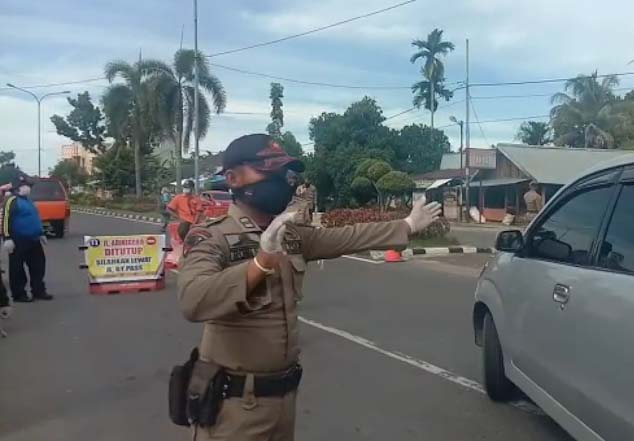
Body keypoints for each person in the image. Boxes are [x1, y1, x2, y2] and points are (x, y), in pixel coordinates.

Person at [176, 134, 441, 441]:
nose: (282, 179)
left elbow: (348, 236)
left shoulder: (290, 235)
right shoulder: (212, 238)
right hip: (234, 408)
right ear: (233, 178)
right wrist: (261, 262)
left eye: (284, 171)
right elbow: (193, 300)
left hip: (283, 401)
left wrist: (406, 224)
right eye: (268, 170)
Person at [2, 176, 52, 302]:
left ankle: (38, 290)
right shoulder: (12, 201)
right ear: (18, 187)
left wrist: (41, 233)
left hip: (33, 240)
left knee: (38, 266)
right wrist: (7, 238)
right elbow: (6, 220)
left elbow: (35, 218)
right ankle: (19, 294)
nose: (29, 188)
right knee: (17, 269)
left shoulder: (28, 201)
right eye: (26, 186)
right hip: (18, 241)